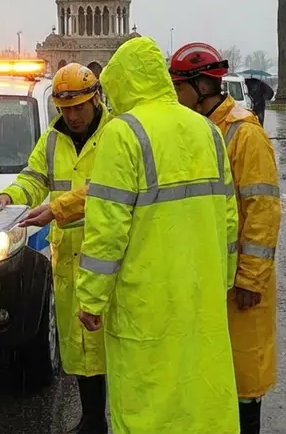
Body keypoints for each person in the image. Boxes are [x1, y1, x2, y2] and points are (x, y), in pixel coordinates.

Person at [75, 36, 240, 434]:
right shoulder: (207, 130)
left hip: (145, 303)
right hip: (200, 299)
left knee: (148, 403)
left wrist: (90, 299)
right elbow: (229, 220)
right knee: (200, 401)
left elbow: (106, 230)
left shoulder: (123, 134)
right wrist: (224, 280)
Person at [170, 42, 282, 434]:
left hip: (240, 286)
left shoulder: (243, 134)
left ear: (203, 86)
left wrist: (251, 279)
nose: (175, 96)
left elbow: (262, 211)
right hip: (208, 278)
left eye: (179, 87)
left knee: (243, 382)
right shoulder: (196, 130)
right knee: (213, 377)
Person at [5, 63, 113, 434]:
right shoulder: (52, 138)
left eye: (80, 107)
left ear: (95, 99)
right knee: (80, 347)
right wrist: (10, 196)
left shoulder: (117, 136)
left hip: (111, 256)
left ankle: (120, 419)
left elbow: (104, 189)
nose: (73, 116)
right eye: (65, 109)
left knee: (117, 344)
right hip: (69, 256)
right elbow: (34, 177)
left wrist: (56, 209)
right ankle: (94, 420)